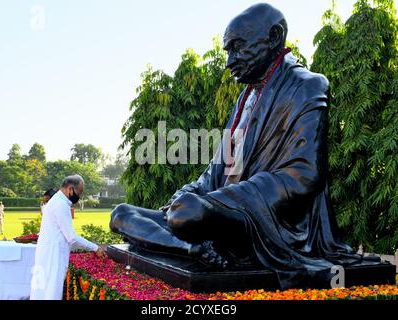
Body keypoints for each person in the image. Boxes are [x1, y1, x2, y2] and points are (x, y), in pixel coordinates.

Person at [110, 3, 367, 290]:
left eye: (238, 48)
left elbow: (303, 176)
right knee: (121, 214)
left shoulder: (306, 85)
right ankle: (189, 249)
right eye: (228, 51)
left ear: (274, 37)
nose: (229, 61)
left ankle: (186, 236)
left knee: (187, 213)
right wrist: (189, 191)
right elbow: (218, 168)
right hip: (220, 210)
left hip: (265, 219)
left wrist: (219, 200)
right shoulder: (245, 98)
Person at [30, 175, 105, 300]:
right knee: (51, 291)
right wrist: (95, 247)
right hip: (53, 255)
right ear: (70, 189)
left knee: (41, 291)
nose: (78, 197)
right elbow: (72, 237)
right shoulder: (60, 204)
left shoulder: (56, 201)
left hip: (47, 252)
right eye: (78, 192)